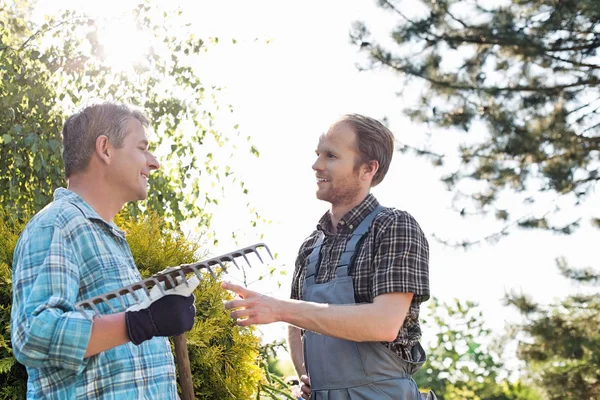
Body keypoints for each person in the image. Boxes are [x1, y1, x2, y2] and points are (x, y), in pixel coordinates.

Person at [223, 114, 434, 399]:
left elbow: (384, 323)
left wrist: (280, 308)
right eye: (318, 154)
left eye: (331, 156)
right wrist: (305, 376)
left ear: (368, 169)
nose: (316, 165)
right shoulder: (311, 245)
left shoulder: (394, 227)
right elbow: (297, 327)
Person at [11, 103, 196, 399]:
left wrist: (154, 308)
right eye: (142, 148)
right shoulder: (57, 225)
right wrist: (140, 323)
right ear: (105, 149)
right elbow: (33, 335)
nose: (154, 162)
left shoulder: (108, 238)